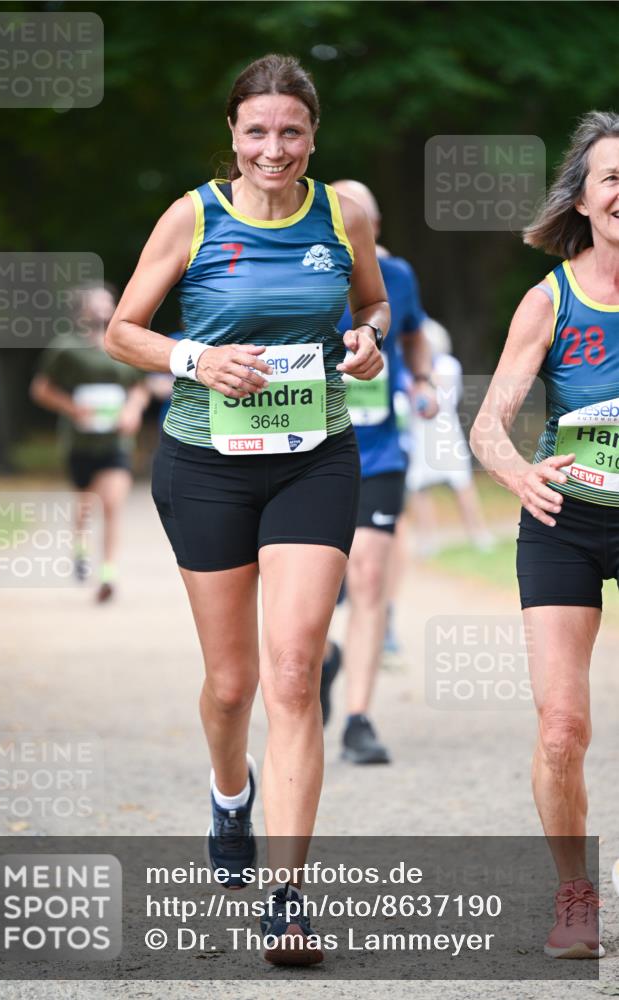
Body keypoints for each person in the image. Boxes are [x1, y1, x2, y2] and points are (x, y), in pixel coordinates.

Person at [104, 55, 388, 965]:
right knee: (232, 687)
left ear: (313, 137)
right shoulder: (194, 214)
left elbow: (373, 305)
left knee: (294, 671)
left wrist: (365, 341)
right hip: (206, 464)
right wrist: (195, 359)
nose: (274, 148)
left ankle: (288, 896)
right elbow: (122, 328)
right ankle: (232, 795)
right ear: (233, 134)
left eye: (291, 132)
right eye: (257, 131)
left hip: (315, 459)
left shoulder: (339, 216)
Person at [471, 111, 618, 959]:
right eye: (610, 177)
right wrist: (519, 473)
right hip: (564, 520)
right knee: (562, 727)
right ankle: (574, 894)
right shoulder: (549, 297)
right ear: (586, 197)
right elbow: (488, 424)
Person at [319, 180, 437, 763]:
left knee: (367, 577)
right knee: (308, 587)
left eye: (363, 215)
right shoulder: (299, 271)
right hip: (306, 451)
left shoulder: (400, 278)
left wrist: (422, 381)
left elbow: (413, 337)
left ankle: (359, 719)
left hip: (380, 453)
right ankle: (319, 661)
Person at [30, 284, 149, 603]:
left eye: (107, 302)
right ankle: (80, 549)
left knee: (111, 504)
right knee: (85, 504)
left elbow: (140, 387)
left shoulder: (122, 344)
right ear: (81, 310)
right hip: (79, 442)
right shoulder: (65, 348)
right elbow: (41, 389)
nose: (102, 308)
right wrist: (72, 408)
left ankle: (108, 574)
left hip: (117, 442)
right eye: (96, 303)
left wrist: (133, 410)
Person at [406, 318, 495, 557]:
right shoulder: (408, 369)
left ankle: (478, 533)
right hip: (419, 433)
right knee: (418, 487)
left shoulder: (448, 365)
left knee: (462, 483)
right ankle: (427, 539)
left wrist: (422, 375)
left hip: (445, 431)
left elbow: (441, 397)